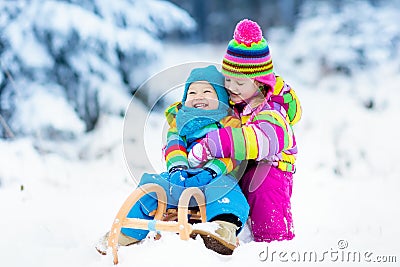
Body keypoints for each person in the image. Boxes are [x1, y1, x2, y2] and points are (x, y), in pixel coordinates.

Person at [95, 65, 250, 255]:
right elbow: (174, 147)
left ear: (221, 98)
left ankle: (222, 228)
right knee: (151, 185)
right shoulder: (179, 121)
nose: (198, 96)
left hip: (216, 175)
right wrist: (177, 170)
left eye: (207, 91)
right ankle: (126, 232)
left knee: (228, 191)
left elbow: (232, 155)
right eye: (192, 92)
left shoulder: (229, 123)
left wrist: (211, 171)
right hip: (181, 175)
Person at [188, 19, 302, 243]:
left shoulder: (272, 109)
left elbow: (262, 140)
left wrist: (215, 143)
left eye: (239, 83)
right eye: (228, 79)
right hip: (245, 166)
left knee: (265, 202)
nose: (231, 87)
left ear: (260, 83)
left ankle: (274, 245)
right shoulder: (239, 102)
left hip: (273, 170)